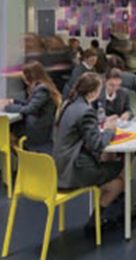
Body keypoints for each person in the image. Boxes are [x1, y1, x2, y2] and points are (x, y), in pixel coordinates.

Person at [54, 71, 126, 231]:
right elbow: (97, 144)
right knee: (121, 171)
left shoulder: (69, 105)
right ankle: (112, 215)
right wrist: (109, 130)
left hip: (60, 167)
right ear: (93, 92)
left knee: (112, 175)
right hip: (75, 169)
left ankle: (104, 214)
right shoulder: (86, 111)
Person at [0, 60, 60, 152]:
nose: (22, 77)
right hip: (40, 125)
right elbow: (30, 103)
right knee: (10, 129)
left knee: (6, 130)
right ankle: (22, 152)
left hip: (37, 129)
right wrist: (13, 101)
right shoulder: (42, 86)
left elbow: (29, 109)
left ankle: (23, 154)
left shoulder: (42, 89)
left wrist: (6, 107)